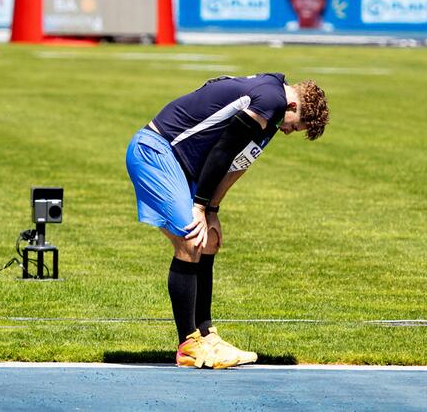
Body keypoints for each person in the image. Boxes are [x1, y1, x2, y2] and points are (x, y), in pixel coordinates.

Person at [126, 74, 329, 369]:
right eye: (294, 125)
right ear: (293, 104)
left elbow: (237, 163)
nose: (289, 131)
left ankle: (207, 336)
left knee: (207, 240)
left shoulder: (271, 115)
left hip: (181, 163)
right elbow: (223, 148)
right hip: (157, 150)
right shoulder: (271, 100)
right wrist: (198, 207)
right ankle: (189, 345)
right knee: (191, 239)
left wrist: (213, 211)